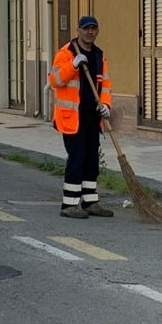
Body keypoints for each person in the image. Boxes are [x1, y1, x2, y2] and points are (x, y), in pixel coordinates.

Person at [49, 15, 114, 219]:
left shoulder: (98, 55)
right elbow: (55, 80)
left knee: (91, 160)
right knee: (76, 159)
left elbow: (105, 85)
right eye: (86, 28)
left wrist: (106, 106)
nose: (90, 32)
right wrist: (73, 65)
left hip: (92, 117)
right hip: (71, 117)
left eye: (93, 28)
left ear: (97, 31)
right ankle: (69, 204)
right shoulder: (66, 53)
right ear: (78, 30)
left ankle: (90, 201)